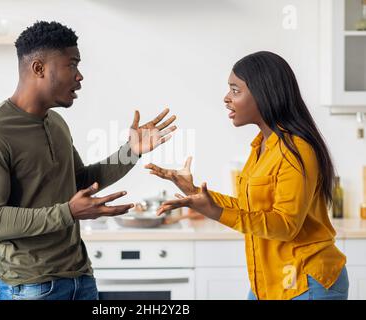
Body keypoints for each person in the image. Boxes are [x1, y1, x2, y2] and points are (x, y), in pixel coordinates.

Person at [0, 21, 177, 300]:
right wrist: (69, 212)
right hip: (31, 287)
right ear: (38, 68)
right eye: (72, 64)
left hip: (79, 278)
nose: (80, 77)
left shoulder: (55, 122)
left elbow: (79, 182)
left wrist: (131, 151)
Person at [147, 51, 348, 300]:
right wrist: (195, 192)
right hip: (269, 282)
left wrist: (215, 212)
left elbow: (286, 225)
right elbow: (249, 209)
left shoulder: (297, 150)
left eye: (235, 90)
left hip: (306, 282)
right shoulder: (261, 146)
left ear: (265, 93)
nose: (226, 98)